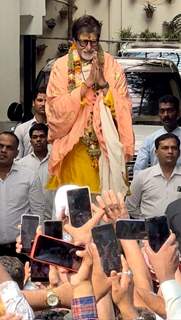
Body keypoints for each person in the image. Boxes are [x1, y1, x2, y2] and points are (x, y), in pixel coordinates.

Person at [46, 14, 134, 194]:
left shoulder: (111, 65)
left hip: (106, 152)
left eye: (93, 42)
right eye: (83, 42)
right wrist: (85, 87)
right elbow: (55, 110)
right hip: (74, 153)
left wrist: (103, 85)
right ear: (74, 40)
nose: (88, 47)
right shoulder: (61, 67)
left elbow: (124, 106)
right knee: (77, 212)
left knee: (107, 213)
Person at [0, 131, 45, 257]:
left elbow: (37, 212)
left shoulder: (29, 176)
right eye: (1, 146)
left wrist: (30, 246)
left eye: (9, 148)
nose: (3, 150)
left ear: (17, 153)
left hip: (18, 249)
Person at [126, 133, 181, 218]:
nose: (170, 151)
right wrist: (147, 220)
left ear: (179, 152)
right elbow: (130, 207)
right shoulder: (142, 177)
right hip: (150, 230)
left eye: (174, 148)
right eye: (165, 148)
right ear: (156, 152)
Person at [134, 95, 181, 173]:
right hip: (156, 183)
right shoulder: (150, 140)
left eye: (170, 110)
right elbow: (139, 170)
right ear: (159, 114)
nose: (165, 115)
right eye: (162, 111)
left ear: (178, 113)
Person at [18, 123, 54, 219]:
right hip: (32, 218)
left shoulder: (56, 162)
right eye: (35, 137)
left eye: (42, 136)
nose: (38, 139)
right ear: (30, 141)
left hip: (54, 216)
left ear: (48, 139)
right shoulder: (22, 164)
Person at [15, 87, 47, 158]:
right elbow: (17, 158)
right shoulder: (21, 129)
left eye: (47, 101)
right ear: (33, 103)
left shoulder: (56, 129)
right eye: (40, 100)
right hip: (26, 168)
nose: (43, 104)